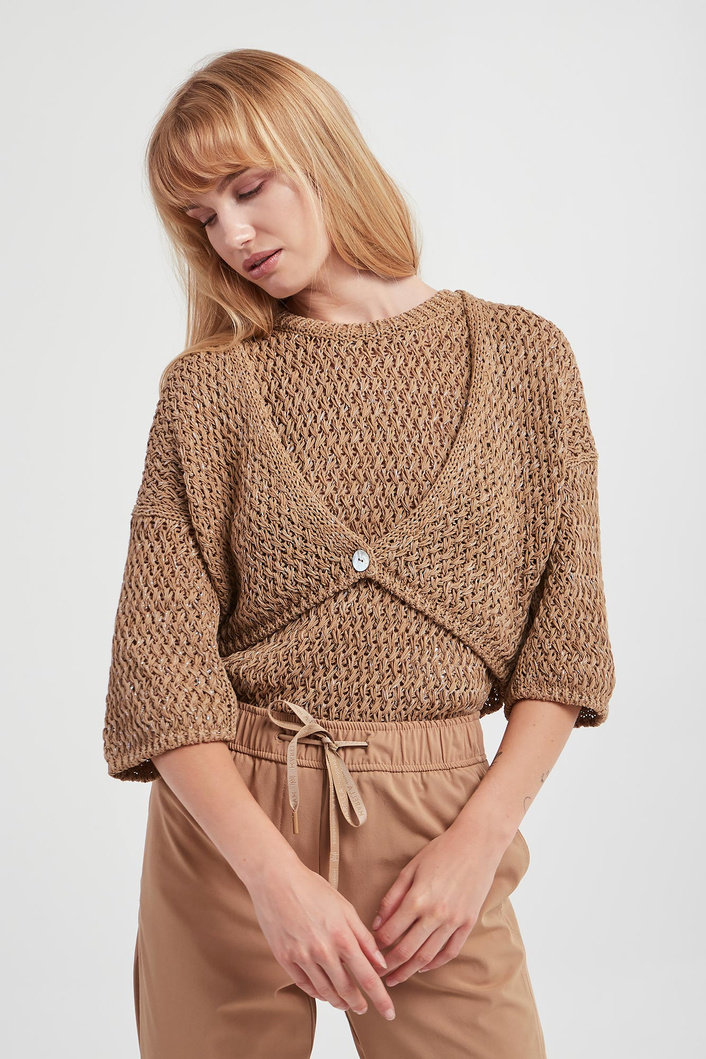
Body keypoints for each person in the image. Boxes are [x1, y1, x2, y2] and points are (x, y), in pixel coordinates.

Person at [102, 48, 616, 1059]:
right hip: (230, 826)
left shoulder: (525, 360)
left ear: (322, 154)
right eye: (201, 218)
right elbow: (161, 672)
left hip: (440, 820)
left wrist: (478, 845)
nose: (232, 234)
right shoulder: (206, 392)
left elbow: (566, 642)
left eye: (248, 188)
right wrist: (270, 877)